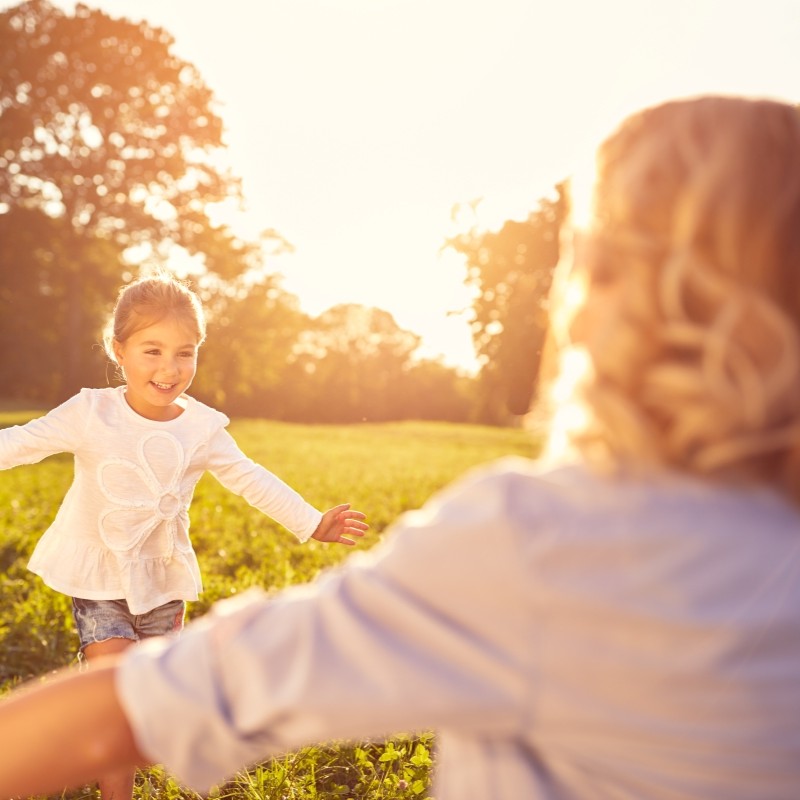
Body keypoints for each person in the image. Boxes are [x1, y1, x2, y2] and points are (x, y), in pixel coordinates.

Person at [2, 94, 800, 800]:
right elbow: (31, 442)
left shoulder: (537, 542)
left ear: (601, 301)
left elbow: (155, 702)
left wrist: (309, 520)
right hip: (99, 577)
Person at [0, 273, 368, 800]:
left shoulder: (202, 428)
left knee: (149, 705)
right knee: (116, 689)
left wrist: (311, 521)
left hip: (161, 580)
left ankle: (141, 739)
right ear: (118, 350)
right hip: (100, 576)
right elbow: (20, 443)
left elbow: (249, 478)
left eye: (184, 353)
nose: (169, 369)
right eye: (152, 351)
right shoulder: (91, 412)